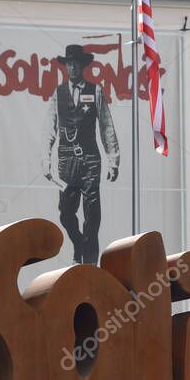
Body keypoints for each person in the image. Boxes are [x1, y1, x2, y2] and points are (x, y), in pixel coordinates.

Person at [42, 44, 119, 263]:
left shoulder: (95, 90)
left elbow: (106, 126)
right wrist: (45, 159)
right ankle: (78, 242)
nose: (72, 67)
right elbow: (50, 126)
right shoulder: (58, 93)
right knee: (66, 212)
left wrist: (113, 160)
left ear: (83, 66)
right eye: (69, 63)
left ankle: (90, 262)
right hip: (66, 158)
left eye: (76, 63)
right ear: (65, 66)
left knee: (92, 212)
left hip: (90, 158)